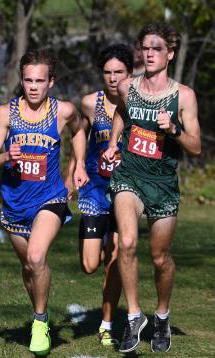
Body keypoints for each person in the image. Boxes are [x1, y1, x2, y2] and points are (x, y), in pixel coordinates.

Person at [103, 22, 201, 353]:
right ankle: (133, 317)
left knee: (160, 258)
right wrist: (115, 142)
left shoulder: (183, 95)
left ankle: (161, 316)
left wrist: (174, 128)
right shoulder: (128, 87)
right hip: (129, 175)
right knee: (126, 242)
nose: (149, 53)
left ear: (169, 53)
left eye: (156, 48)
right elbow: (120, 112)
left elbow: (196, 146)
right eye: (145, 47)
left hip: (163, 183)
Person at [0, 48, 88, 356]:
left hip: (50, 198)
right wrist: (5, 156)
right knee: (29, 267)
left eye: (39, 81)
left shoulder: (63, 111)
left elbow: (79, 130)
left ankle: (40, 321)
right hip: (15, 204)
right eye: (28, 80)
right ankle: (38, 310)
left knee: (38, 257)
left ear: (50, 82)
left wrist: (78, 164)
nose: (32, 86)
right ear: (22, 80)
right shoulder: (5, 113)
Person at [66, 44, 133, 347]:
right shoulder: (89, 104)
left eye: (119, 71)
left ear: (129, 73)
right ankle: (102, 243)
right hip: (94, 189)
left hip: (125, 191)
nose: (113, 77)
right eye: (107, 72)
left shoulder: (139, 105)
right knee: (90, 265)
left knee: (117, 258)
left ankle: (106, 324)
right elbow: (78, 138)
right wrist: (72, 174)